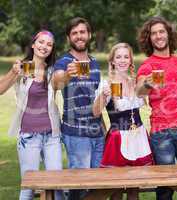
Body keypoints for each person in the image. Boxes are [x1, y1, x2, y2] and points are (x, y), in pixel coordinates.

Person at [136, 16, 177, 200]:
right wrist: (146, 83)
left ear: (168, 34)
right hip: (161, 131)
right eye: (153, 33)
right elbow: (139, 92)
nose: (158, 36)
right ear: (149, 38)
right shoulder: (147, 66)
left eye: (161, 32)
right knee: (165, 187)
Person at [5, 30, 64, 200]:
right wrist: (13, 72)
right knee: (29, 188)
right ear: (33, 44)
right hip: (28, 136)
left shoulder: (53, 71)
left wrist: (67, 75)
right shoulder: (23, 67)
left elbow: (62, 82)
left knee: (57, 186)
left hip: (52, 135)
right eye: (41, 42)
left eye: (49, 44)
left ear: (52, 50)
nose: (44, 46)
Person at [52, 17, 105, 200]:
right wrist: (67, 74)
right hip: (76, 135)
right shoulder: (63, 62)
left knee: (97, 186)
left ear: (89, 35)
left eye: (82, 32)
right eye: (74, 33)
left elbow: (96, 99)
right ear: (69, 38)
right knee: (79, 185)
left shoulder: (95, 63)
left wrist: (104, 130)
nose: (79, 36)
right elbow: (56, 83)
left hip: (97, 134)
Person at [93, 42, 153, 200]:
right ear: (112, 61)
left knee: (134, 188)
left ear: (131, 60)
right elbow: (95, 112)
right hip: (118, 138)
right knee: (117, 187)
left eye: (126, 56)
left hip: (138, 136)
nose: (122, 60)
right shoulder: (106, 84)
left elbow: (146, 101)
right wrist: (103, 96)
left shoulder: (135, 82)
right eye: (118, 57)